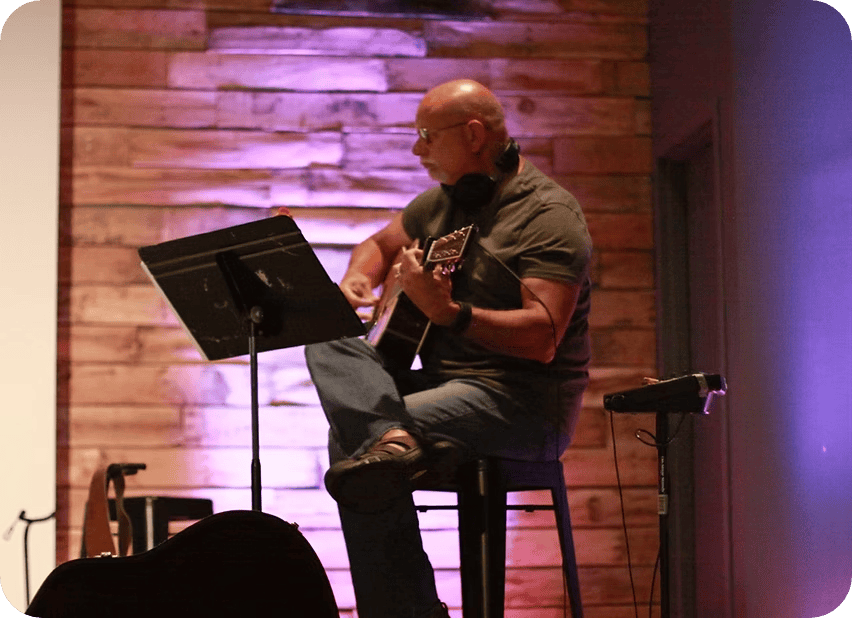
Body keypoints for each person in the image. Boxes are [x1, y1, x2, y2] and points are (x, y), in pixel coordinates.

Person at [304, 79, 592, 618]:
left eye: (427, 136)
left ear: (474, 135)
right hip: (447, 386)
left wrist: (451, 314)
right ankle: (390, 440)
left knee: (352, 440)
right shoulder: (442, 202)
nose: (418, 150)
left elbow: (543, 338)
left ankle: (404, 612)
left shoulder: (548, 215)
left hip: (523, 400)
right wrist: (358, 277)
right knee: (326, 332)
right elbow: (378, 244)